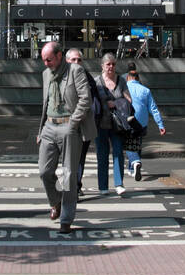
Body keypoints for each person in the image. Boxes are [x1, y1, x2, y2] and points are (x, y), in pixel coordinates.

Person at [37, 40, 94, 234]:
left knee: (69, 175)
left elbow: (86, 98)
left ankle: (66, 219)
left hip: (69, 126)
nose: (46, 63)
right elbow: (45, 103)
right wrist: (40, 131)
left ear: (60, 56)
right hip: (49, 126)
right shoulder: (46, 74)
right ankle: (56, 201)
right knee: (44, 171)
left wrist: (74, 122)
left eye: (49, 59)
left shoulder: (75, 71)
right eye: (44, 60)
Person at [91, 52, 131, 196]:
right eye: (108, 64)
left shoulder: (121, 81)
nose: (111, 67)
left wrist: (116, 103)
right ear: (102, 66)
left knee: (118, 153)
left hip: (117, 124)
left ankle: (119, 184)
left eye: (113, 64)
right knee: (102, 154)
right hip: (100, 123)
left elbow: (129, 101)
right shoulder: (96, 82)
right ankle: (103, 186)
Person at [65, 48, 103, 195]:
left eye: (79, 60)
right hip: (66, 125)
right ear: (66, 61)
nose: (76, 62)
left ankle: (75, 187)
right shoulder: (61, 76)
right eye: (73, 60)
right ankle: (69, 186)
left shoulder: (88, 78)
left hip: (83, 125)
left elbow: (93, 101)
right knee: (66, 160)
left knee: (80, 158)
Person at [123, 67, 167, 182]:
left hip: (128, 120)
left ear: (128, 78)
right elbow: (153, 109)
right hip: (142, 122)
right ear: (138, 78)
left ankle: (135, 163)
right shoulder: (146, 90)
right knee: (137, 143)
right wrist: (160, 125)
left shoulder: (125, 88)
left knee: (127, 144)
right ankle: (132, 168)